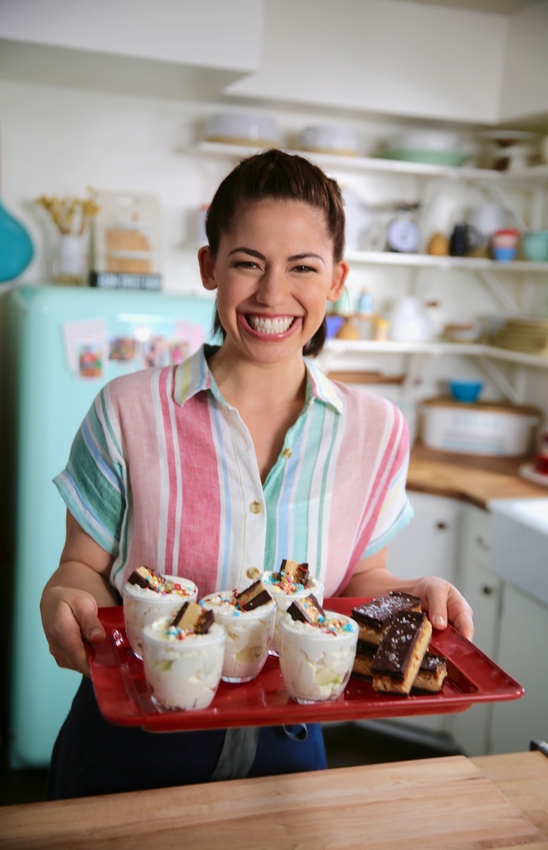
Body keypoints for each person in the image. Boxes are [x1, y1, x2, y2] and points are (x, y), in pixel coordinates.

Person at [41, 149, 473, 799]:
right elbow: (82, 566)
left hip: (291, 752)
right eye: (248, 263)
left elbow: (361, 579)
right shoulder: (128, 409)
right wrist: (63, 595)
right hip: (131, 746)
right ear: (210, 267)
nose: (273, 294)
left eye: (303, 267)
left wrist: (414, 591)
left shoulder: (376, 429)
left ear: (336, 279)